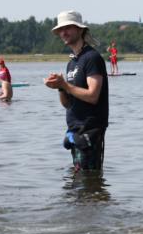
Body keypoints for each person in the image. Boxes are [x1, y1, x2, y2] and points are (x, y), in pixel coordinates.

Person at [44, 10, 109, 171]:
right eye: (61, 29)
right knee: (79, 185)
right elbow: (68, 104)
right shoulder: (72, 62)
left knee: (88, 182)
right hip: (75, 131)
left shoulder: (92, 58)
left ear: (80, 30)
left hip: (90, 130)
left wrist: (65, 85)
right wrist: (60, 87)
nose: (63, 32)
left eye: (68, 28)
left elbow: (93, 96)